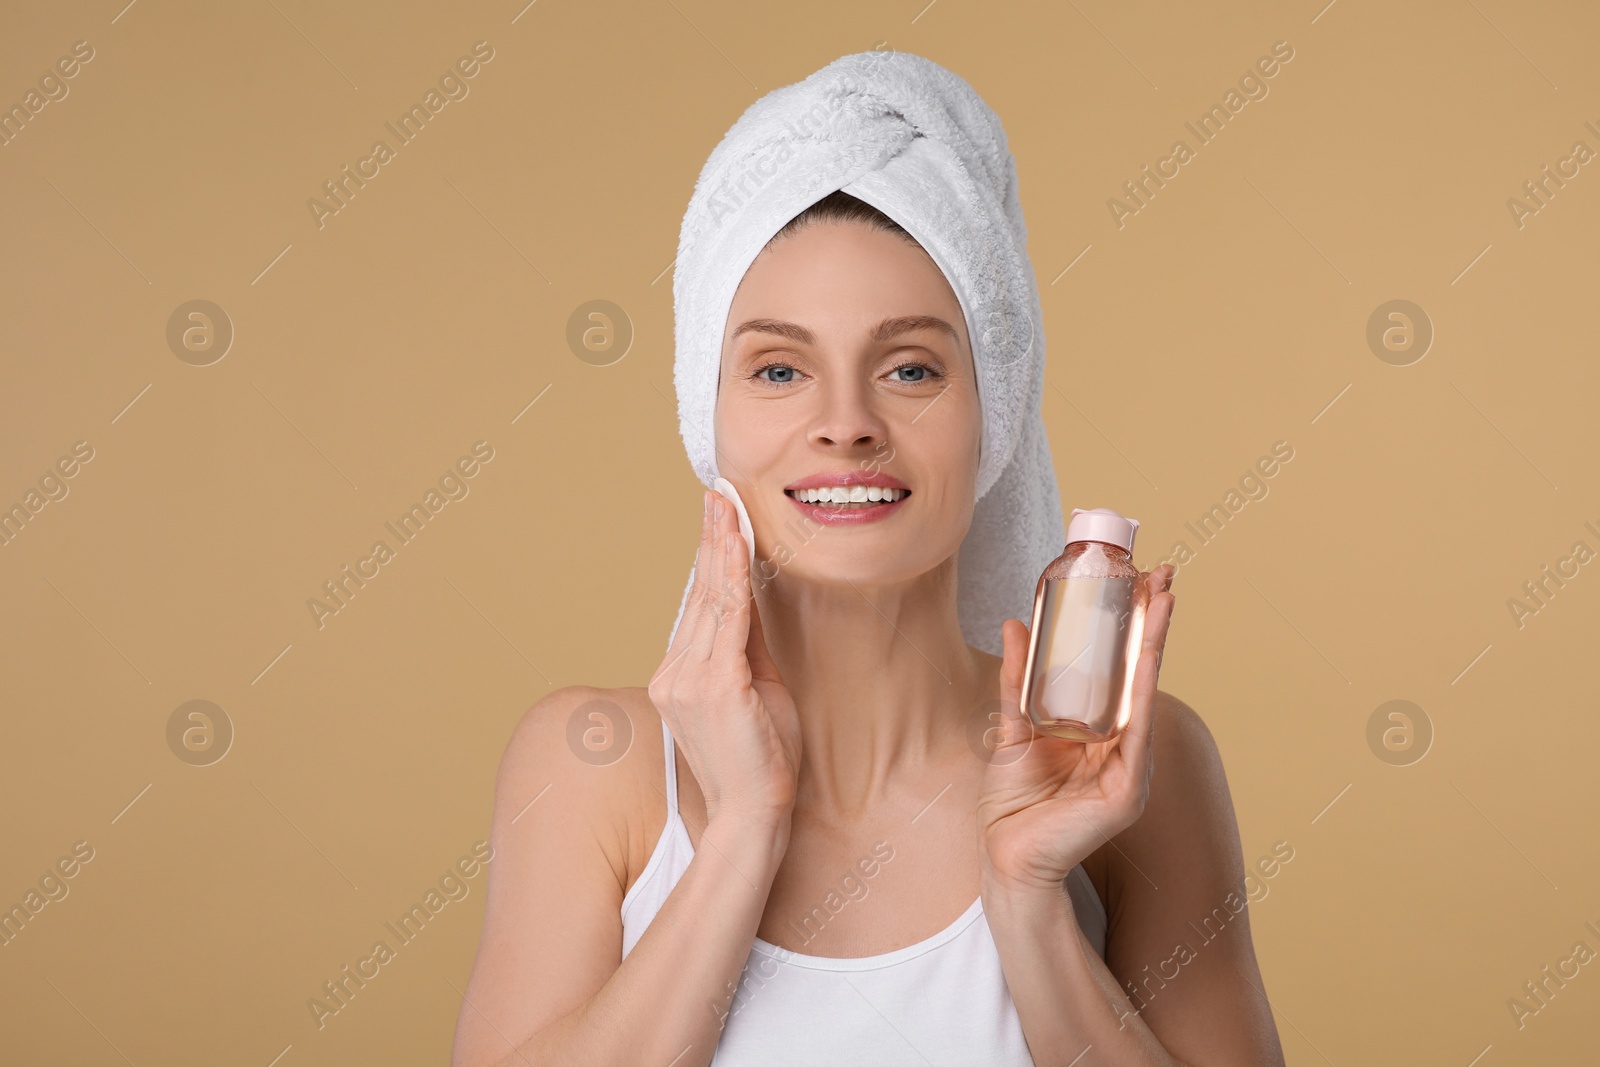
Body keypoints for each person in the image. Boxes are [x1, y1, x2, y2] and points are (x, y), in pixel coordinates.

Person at [453, 52, 1284, 1067]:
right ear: (704, 415)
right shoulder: (593, 767)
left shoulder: (1125, 770)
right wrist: (745, 832)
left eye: (909, 367)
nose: (844, 423)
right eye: (776, 367)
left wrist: (1027, 905)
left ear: (998, 411)